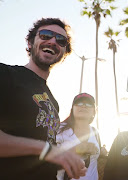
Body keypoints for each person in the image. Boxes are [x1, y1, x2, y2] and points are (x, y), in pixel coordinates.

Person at [0, 18, 86, 180]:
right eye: (46, 35)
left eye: (61, 40)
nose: (53, 41)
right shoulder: (5, 75)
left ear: (64, 53)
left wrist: (65, 161)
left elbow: (39, 154)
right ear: (30, 43)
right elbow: (43, 149)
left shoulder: (53, 102)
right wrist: (47, 149)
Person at [57, 93, 102, 180]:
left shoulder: (95, 132)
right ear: (72, 109)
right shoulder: (59, 129)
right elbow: (48, 157)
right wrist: (77, 149)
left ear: (94, 111)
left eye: (89, 104)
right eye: (79, 103)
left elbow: (94, 164)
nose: (84, 106)